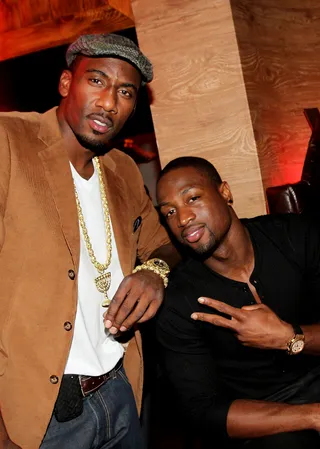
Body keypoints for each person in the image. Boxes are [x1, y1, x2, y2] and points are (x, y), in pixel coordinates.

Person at [0, 33, 180, 449]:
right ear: (66, 84)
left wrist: (153, 272)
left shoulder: (122, 170)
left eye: (125, 92)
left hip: (119, 387)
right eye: (96, 81)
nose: (108, 103)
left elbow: (163, 245)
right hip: (35, 414)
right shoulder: (10, 142)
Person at [155, 156, 320, 449]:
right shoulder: (178, 301)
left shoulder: (297, 235)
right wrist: (311, 416)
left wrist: (289, 337)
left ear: (225, 193)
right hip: (265, 416)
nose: (182, 219)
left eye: (192, 198)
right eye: (169, 212)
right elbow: (203, 411)